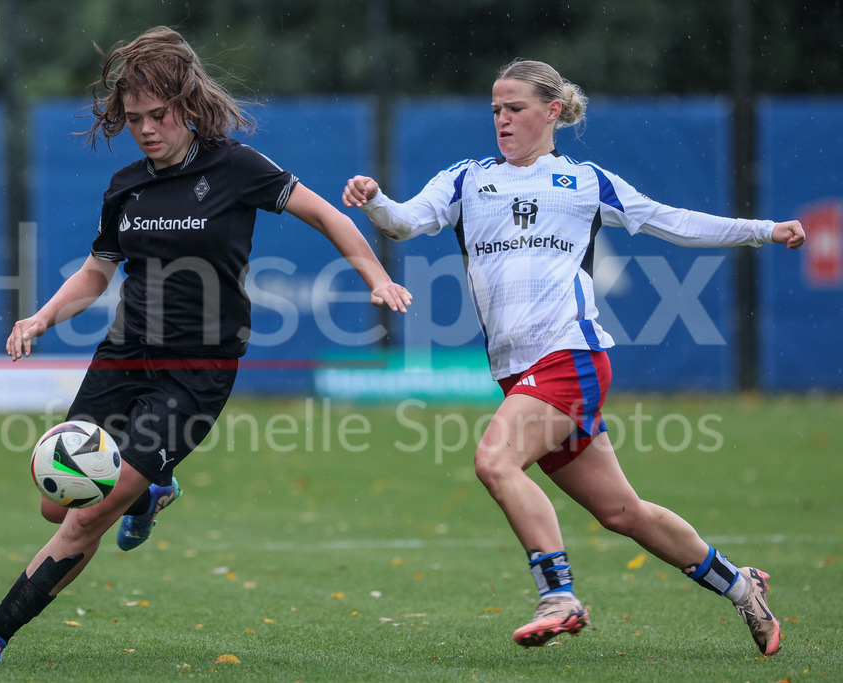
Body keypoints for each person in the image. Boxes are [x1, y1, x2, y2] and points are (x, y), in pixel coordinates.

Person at [0, 25, 411, 664]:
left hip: (196, 372)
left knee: (88, 515)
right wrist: (41, 318)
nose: (147, 129)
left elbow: (326, 215)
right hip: (124, 354)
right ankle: (152, 489)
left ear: (187, 105)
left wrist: (377, 278)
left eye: (159, 115)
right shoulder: (125, 185)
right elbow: (96, 273)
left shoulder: (236, 166)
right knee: (55, 502)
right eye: (134, 119)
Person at [342, 58, 804, 655]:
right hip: (520, 374)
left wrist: (764, 229)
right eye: (495, 110)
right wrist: (375, 200)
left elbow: (674, 223)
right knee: (623, 512)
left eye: (515, 108)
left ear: (552, 110)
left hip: (570, 355)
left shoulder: (585, 181)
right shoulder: (466, 179)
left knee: (495, 463)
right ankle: (742, 586)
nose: (502, 120)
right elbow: (404, 223)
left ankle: (558, 597)